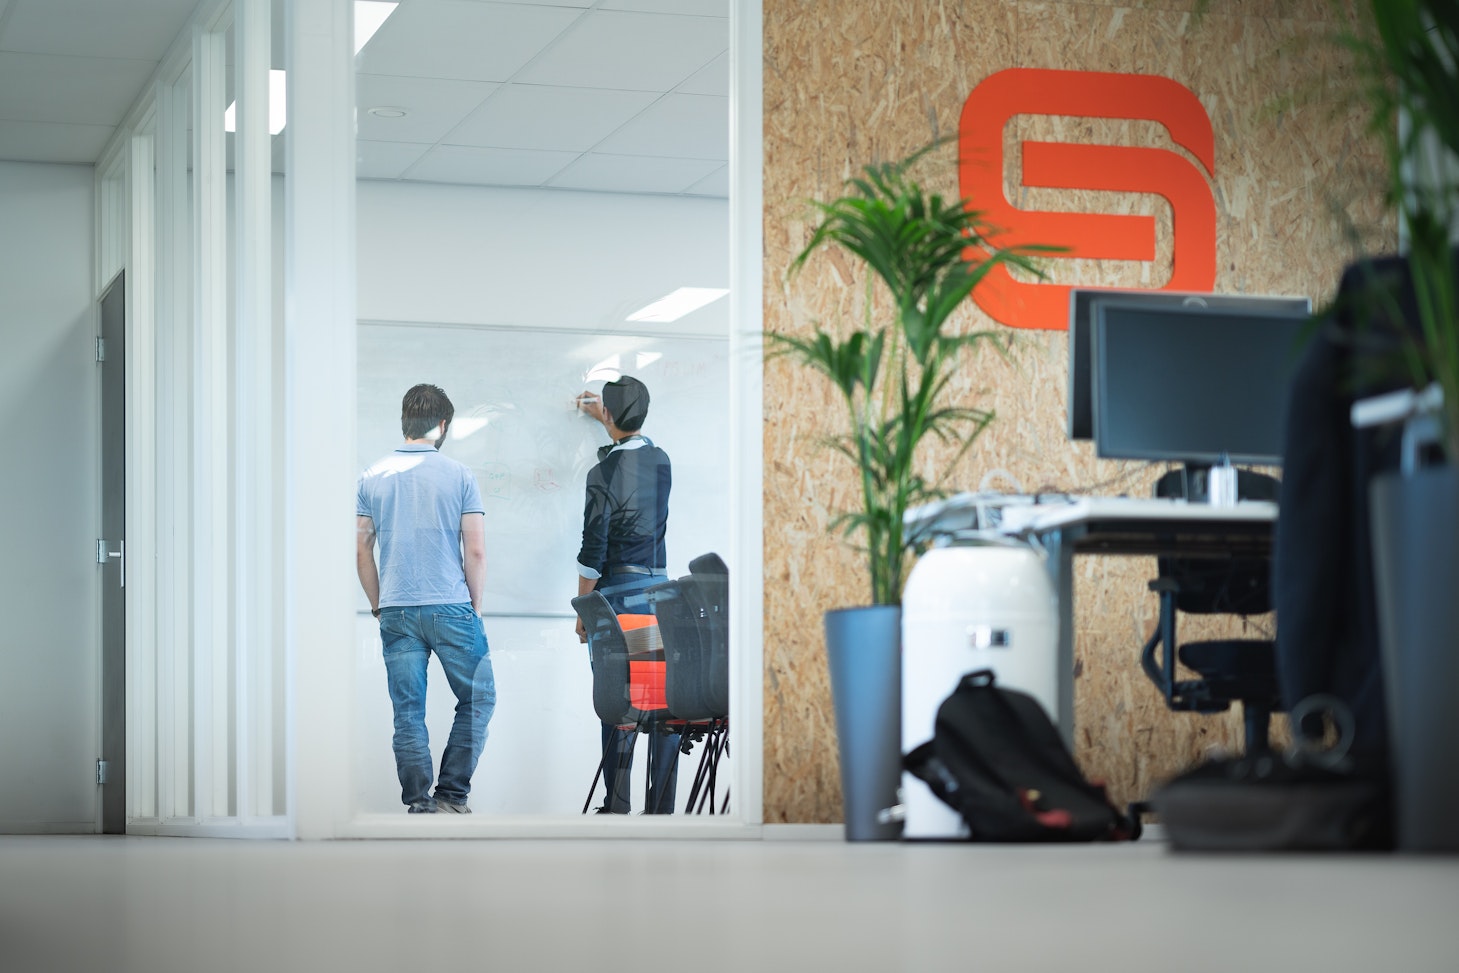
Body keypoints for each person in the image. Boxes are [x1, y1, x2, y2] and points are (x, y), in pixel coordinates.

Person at [356, 384, 496, 814]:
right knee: (479, 697)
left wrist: (380, 605)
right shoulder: (459, 475)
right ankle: (452, 798)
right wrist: (473, 605)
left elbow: (362, 549)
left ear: (405, 422)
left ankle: (419, 804)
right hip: (451, 605)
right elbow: (475, 550)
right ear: (442, 425)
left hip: (396, 609)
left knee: (408, 712)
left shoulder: (372, 477)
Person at [574, 375, 677, 814]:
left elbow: (592, 551)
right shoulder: (661, 460)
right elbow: (630, 452)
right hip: (658, 597)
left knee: (618, 701)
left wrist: (584, 607)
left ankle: (616, 805)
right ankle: (661, 808)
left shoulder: (602, 473)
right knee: (657, 700)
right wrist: (609, 417)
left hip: (616, 600)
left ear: (610, 415)